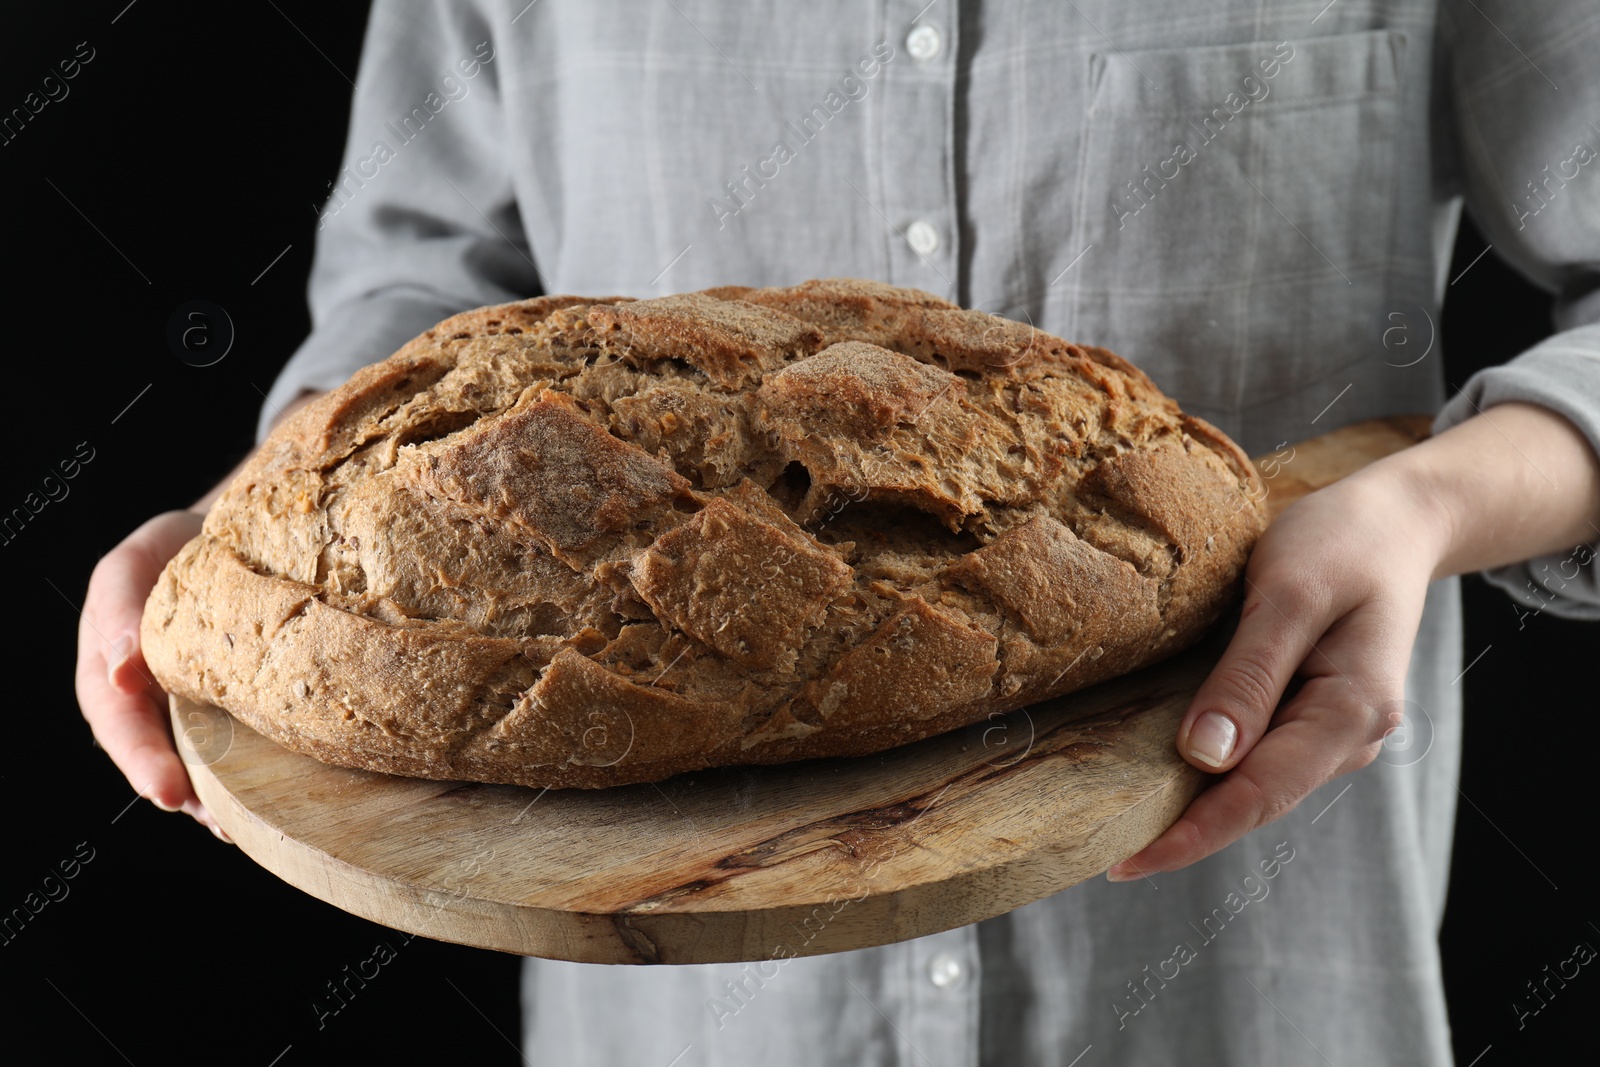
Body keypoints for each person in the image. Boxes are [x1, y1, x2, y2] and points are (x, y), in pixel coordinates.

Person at [75, 2, 1600, 1063]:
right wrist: (253, 535)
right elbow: (410, 304)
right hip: (680, 1018)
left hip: (1239, 970)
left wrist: (1425, 504)